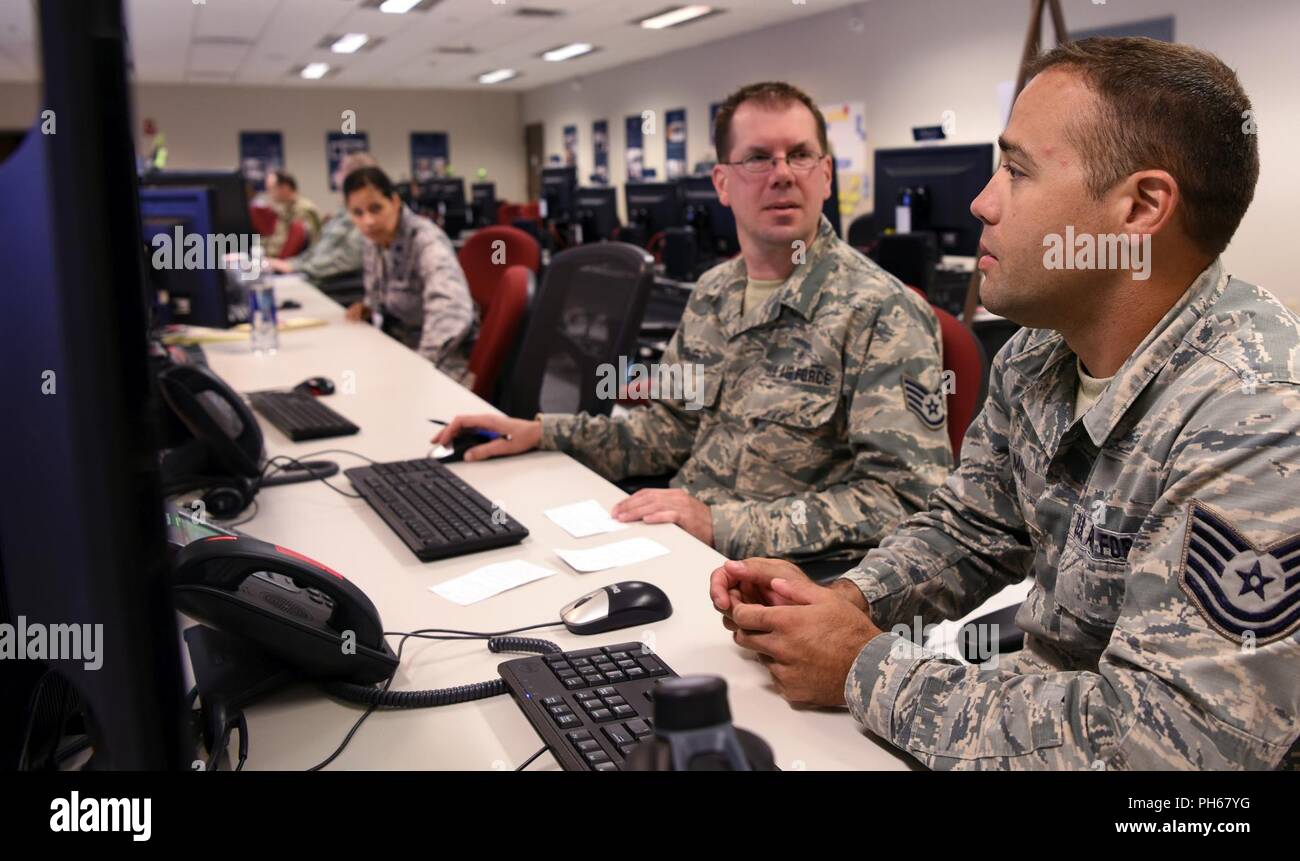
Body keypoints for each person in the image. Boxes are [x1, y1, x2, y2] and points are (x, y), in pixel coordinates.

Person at [710, 37, 1300, 770]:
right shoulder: (1038, 352)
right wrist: (846, 603)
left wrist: (865, 669)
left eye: (1017, 171)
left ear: (1142, 208)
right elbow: (970, 528)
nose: (982, 201)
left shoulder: (1261, 418)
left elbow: (1175, 749)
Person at [435, 82, 952, 565]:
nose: (782, 173)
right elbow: (665, 432)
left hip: (784, 578)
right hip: (675, 546)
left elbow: (906, 501)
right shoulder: (714, 292)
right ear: (722, 184)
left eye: (799, 154)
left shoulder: (882, 312)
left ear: (825, 174)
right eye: (757, 157)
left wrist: (720, 523)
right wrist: (541, 432)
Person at [344, 165, 477, 386]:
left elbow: (451, 310)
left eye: (376, 208)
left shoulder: (425, 240)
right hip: (397, 347)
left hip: (440, 360)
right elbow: (383, 294)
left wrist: (419, 366)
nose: (367, 221)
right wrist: (369, 306)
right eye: (358, 213)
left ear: (395, 202)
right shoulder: (373, 241)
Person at [267, 152, 374, 281]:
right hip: (314, 274)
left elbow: (348, 258)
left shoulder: (363, 216)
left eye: (340, 171)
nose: (335, 176)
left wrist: (296, 267)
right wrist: (292, 264)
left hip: (326, 281)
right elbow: (317, 251)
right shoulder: (343, 213)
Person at [263, 170, 322, 257]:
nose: (269, 193)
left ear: (285, 187)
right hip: (280, 261)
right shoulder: (285, 209)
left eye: (272, 188)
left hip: (296, 264)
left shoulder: (305, 210)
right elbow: (277, 240)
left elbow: (308, 246)